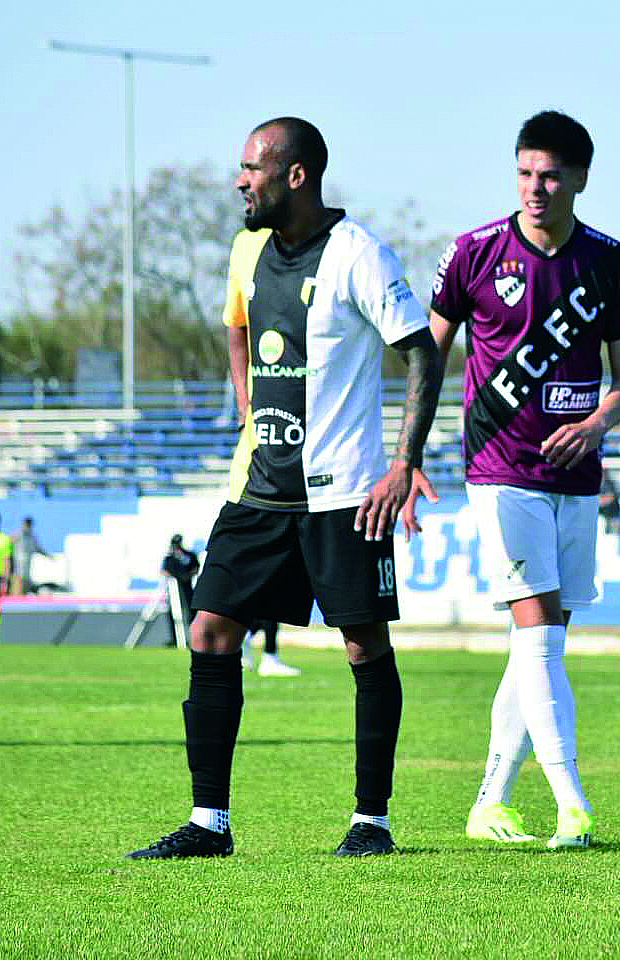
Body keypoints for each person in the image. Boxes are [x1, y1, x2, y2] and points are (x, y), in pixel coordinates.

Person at [127, 117, 442, 861]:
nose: (241, 181)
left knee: (363, 646)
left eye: (252, 168)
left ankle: (372, 822)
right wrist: (245, 405)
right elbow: (237, 328)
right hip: (259, 490)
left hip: (344, 495)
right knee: (208, 632)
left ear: (294, 176)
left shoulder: (359, 254)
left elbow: (422, 356)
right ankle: (209, 825)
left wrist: (403, 461)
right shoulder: (245, 252)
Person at [409, 110, 620, 849]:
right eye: (523, 174)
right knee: (538, 637)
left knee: (538, 647)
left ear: (578, 180)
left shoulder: (609, 262)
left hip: (575, 477)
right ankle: (572, 802)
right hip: (499, 469)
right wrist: (407, 456)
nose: (534, 189)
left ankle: (488, 803)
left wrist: (597, 424)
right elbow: (426, 358)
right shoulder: (475, 253)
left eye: (549, 176)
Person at [161, 534, 199, 644]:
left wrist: (187, 576)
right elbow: (165, 571)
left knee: (191, 614)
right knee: (173, 614)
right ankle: (175, 639)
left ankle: (193, 639)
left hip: (187, 589)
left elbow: (195, 567)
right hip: (173, 591)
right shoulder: (169, 558)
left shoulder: (189, 556)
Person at [12, 516, 50, 596]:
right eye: (26, 525)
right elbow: (11, 543)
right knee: (18, 578)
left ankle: (22, 595)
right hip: (18, 560)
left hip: (28, 561)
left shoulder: (32, 536)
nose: (28, 527)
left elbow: (37, 548)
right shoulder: (19, 534)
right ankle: (16, 595)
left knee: (26, 579)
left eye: (29, 525)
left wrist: (47, 555)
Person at [598, 469, 620, 533]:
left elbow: (618, 494)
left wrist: (608, 498)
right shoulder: (596, 484)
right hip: (600, 512)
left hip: (612, 511)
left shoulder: (612, 483)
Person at [0, 513, 12, 597]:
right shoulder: (5, 539)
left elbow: (7, 561)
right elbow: (7, 561)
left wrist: (6, 580)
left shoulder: (5, 539)